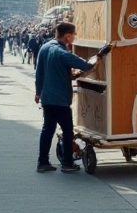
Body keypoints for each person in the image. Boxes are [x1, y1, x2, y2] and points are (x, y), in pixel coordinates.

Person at [34, 23, 96, 173]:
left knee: (47, 129)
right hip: (60, 99)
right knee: (68, 131)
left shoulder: (44, 47)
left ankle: (42, 162)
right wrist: (98, 58)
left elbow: (39, 73)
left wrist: (38, 92)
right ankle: (67, 163)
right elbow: (85, 65)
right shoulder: (62, 53)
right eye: (74, 34)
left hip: (47, 98)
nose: (75, 37)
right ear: (67, 36)